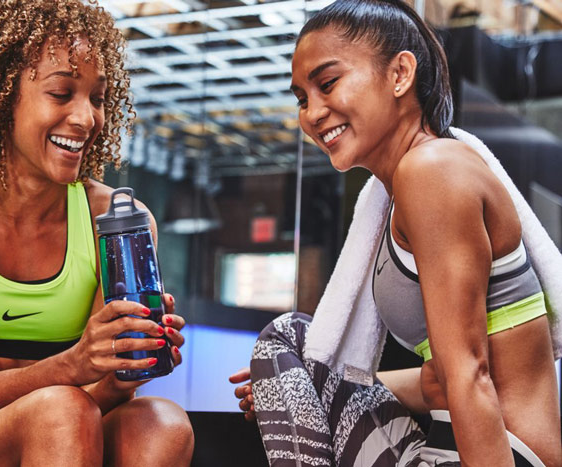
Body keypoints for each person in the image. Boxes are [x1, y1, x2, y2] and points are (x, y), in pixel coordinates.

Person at [230, 1, 561, 466]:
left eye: (327, 84)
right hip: (452, 445)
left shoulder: (433, 171)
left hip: (504, 456)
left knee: (288, 336)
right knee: (298, 348)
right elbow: (448, 375)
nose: (313, 113)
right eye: (302, 98)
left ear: (400, 74)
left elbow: (470, 373)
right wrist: (303, 385)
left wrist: (308, 380)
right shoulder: (403, 187)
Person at [0, 1, 194, 466]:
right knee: (61, 410)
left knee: (161, 423)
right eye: (62, 93)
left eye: (98, 98)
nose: (86, 119)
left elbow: (98, 395)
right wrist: (78, 361)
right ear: (1, 95)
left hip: (69, 429)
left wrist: (125, 360)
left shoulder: (114, 216)